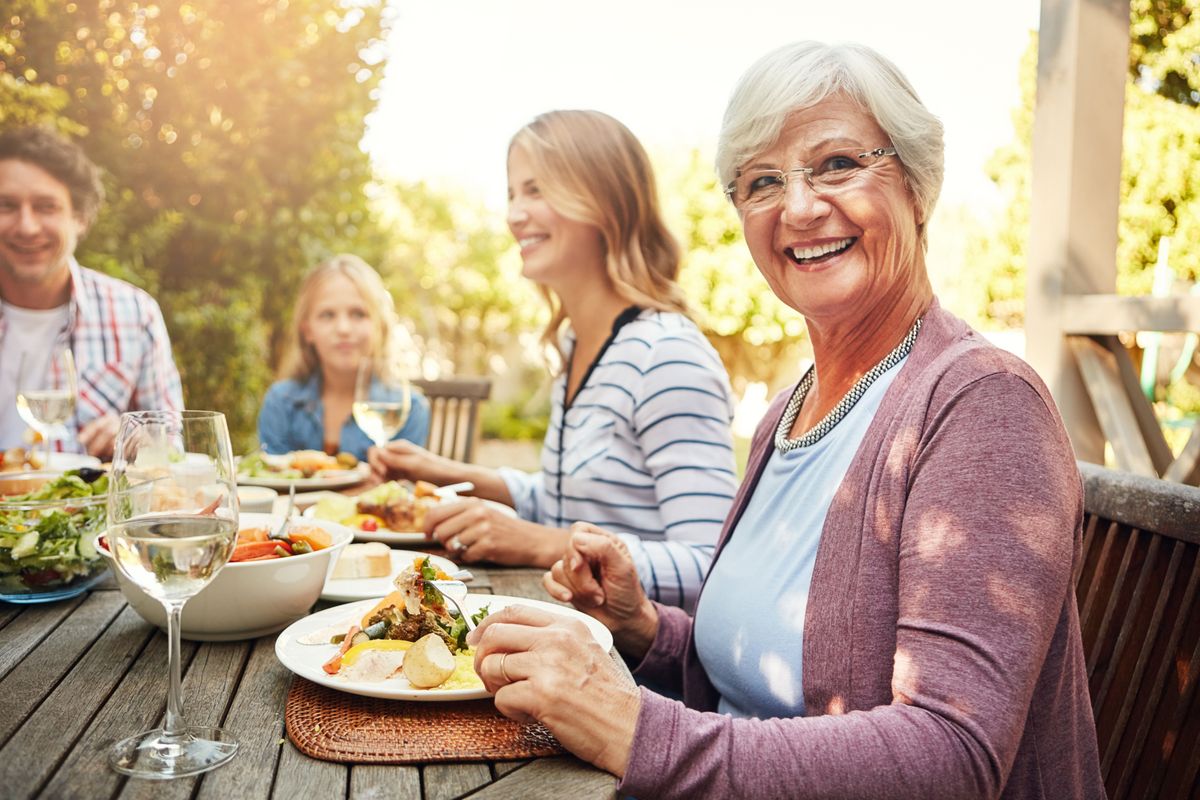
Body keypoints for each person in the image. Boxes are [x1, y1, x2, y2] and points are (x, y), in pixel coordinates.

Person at [463, 42, 1105, 798]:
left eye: (837, 164)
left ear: (917, 184)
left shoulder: (981, 404)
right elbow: (759, 673)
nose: (799, 207)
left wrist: (630, 725)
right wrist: (641, 627)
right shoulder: (787, 413)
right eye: (763, 181)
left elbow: (952, 755)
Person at [370, 110, 737, 611]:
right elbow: (567, 500)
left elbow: (710, 564)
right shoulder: (578, 344)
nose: (515, 214)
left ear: (603, 200)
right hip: (568, 627)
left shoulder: (667, 356)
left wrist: (539, 542)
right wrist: (439, 471)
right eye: (512, 194)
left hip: (635, 669)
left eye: (537, 190)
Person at [0, 126, 183, 460]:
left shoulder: (133, 313)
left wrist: (141, 444)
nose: (26, 226)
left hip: (86, 512)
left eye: (46, 207)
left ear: (80, 218)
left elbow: (172, 450)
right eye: (6, 206)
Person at [257, 254, 430, 462]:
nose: (343, 329)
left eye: (358, 314)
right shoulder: (281, 402)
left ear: (379, 326)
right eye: (328, 315)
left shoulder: (409, 410)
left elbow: (402, 490)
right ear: (307, 330)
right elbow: (274, 480)